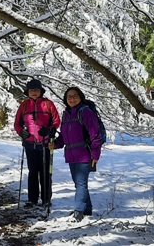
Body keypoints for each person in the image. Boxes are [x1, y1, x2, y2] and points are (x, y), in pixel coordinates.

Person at [53, 86, 102, 222]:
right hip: (71, 154)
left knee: (81, 183)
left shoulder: (86, 112)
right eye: (69, 96)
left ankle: (79, 211)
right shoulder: (67, 114)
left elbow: (95, 134)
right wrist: (55, 144)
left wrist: (95, 154)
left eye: (75, 96)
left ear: (80, 97)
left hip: (84, 154)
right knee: (78, 183)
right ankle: (87, 209)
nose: (72, 99)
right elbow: (63, 136)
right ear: (65, 99)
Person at [14, 79, 60, 216]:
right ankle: (32, 199)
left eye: (36, 90)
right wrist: (21, 132)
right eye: (32, 90)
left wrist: (50, 130)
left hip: (45, 143)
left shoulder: (48, 104)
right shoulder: (23, 105)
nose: (34, 92)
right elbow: (17, 123)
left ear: (40, 91)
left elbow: (57, 120)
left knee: (45, 172)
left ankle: (46, 199)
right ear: (28, 92)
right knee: (33, 172)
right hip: (29, 144)